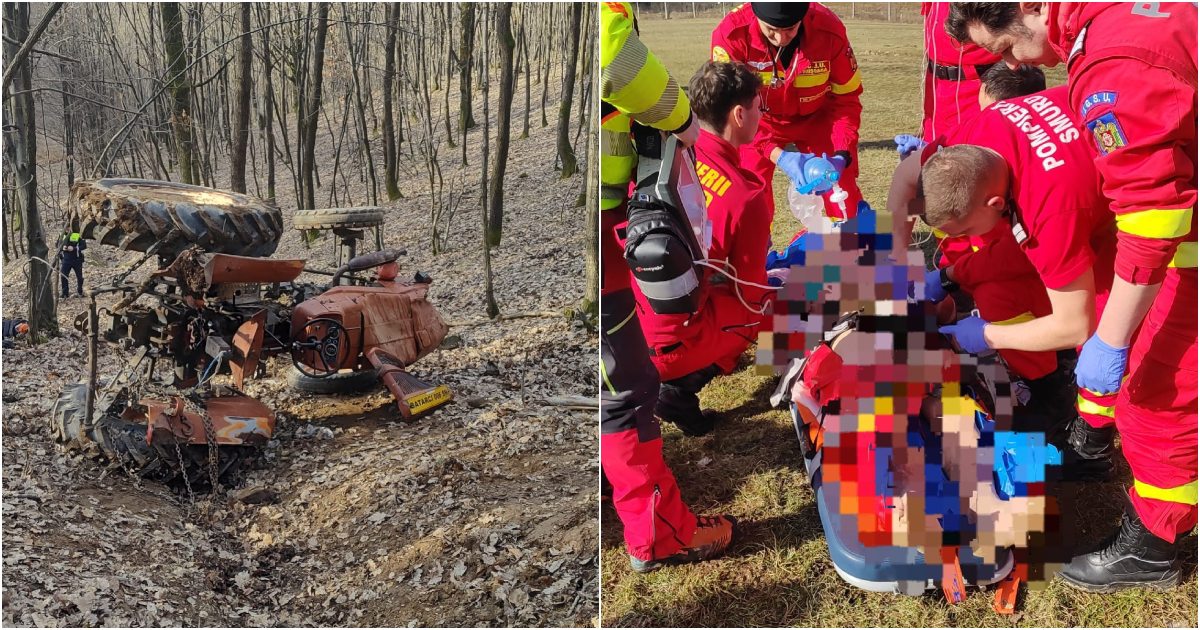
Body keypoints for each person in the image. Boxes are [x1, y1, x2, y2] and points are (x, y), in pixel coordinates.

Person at [946, 1, 1197, 593]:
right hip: (1148, 232)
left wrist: (1108, 342)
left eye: (1006, 48)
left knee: (1156, 391)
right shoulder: (1120, 20)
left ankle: (1155, 546)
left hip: (1172, 240)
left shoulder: (1111, 61)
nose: (1007, 67)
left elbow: (1153, 219)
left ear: (1031, 7)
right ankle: (1089, 440)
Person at [890, 85, 1118, 474]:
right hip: (1068, 180)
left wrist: (988, 336)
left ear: (996, 203)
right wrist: (903, 270)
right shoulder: (972, 141)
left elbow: (1077, 325)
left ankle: (1086, 440)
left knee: (1112, 342)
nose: (962, 242)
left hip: (1130, 222)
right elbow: (905, 179)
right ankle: (1047, 385)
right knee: (996, 284)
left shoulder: (1048, 213)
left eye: (963, 232)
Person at [600, 0, 735, 574]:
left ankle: (615, 491)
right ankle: (657, 532)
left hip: (605, 215)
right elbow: (616, 61)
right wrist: (678, 117)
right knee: (626, 386)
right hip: (597, 225)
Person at [634, 61, 773, 438]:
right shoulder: (745, 196)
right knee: (769, 311)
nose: (763, 114)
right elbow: (751, 296)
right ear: (739, 114)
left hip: (631, 323)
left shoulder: (667, 156)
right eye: (760, 107)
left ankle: (676, 382)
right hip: (669, 341)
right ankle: (680, 387)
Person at [711, 2, 862, 219]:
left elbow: (847, 99)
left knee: (842, 193)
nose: (781, 39)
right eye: (771, 29)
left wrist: (841, 153)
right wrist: (777, 154)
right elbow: (731, 110)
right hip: (757, 123)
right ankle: (757, 250)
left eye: (790, 29)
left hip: (818, 119)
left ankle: (850, 248)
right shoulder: (732, 35)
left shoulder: (829, 30)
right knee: (748, 197)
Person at [59, 226, 86, 298]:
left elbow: (84, 246)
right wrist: (62, 248)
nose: (68, 230)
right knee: (63, 276)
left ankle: (80, 292)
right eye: (66, 228)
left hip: (77, 260)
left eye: (69, 228)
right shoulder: (62, 235)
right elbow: (57, 245)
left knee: (79, 277)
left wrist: (74, 248)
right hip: (66, 260)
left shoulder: (77, 234)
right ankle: (65, 293)